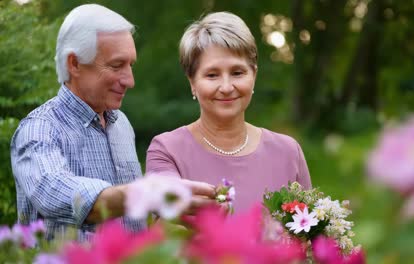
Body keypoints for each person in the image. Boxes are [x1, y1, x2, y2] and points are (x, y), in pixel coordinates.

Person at [10, 4, 215, 241]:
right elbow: (67, 197)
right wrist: (149, 194)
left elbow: (129, 213)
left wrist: (166, 212)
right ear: (74, 64)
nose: (130, 80)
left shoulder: (121, 124)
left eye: (131, 65)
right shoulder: (38, 130)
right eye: (117, 65)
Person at [146, 12, 312, 212]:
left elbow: (308, 239)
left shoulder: (288, 152)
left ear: (254, 75)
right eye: (212, 75)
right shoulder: (166, 150)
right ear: (192, 83)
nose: (226, 87)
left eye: (237, 73)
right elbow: (164, 225)